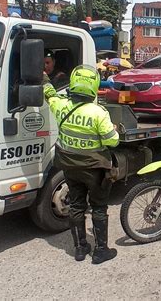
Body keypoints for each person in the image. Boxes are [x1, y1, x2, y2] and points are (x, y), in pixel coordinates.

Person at [43, 65, 120, 264]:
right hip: (94, 170)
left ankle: (80, 248)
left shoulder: (61, 106)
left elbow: (49, 94)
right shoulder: (98, 113)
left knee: (76, 205)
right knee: (98, 208)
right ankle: (101, 251)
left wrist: (43, 78)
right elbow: (112, 141)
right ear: (93, 86)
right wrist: (113, 129)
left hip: (70, 167)